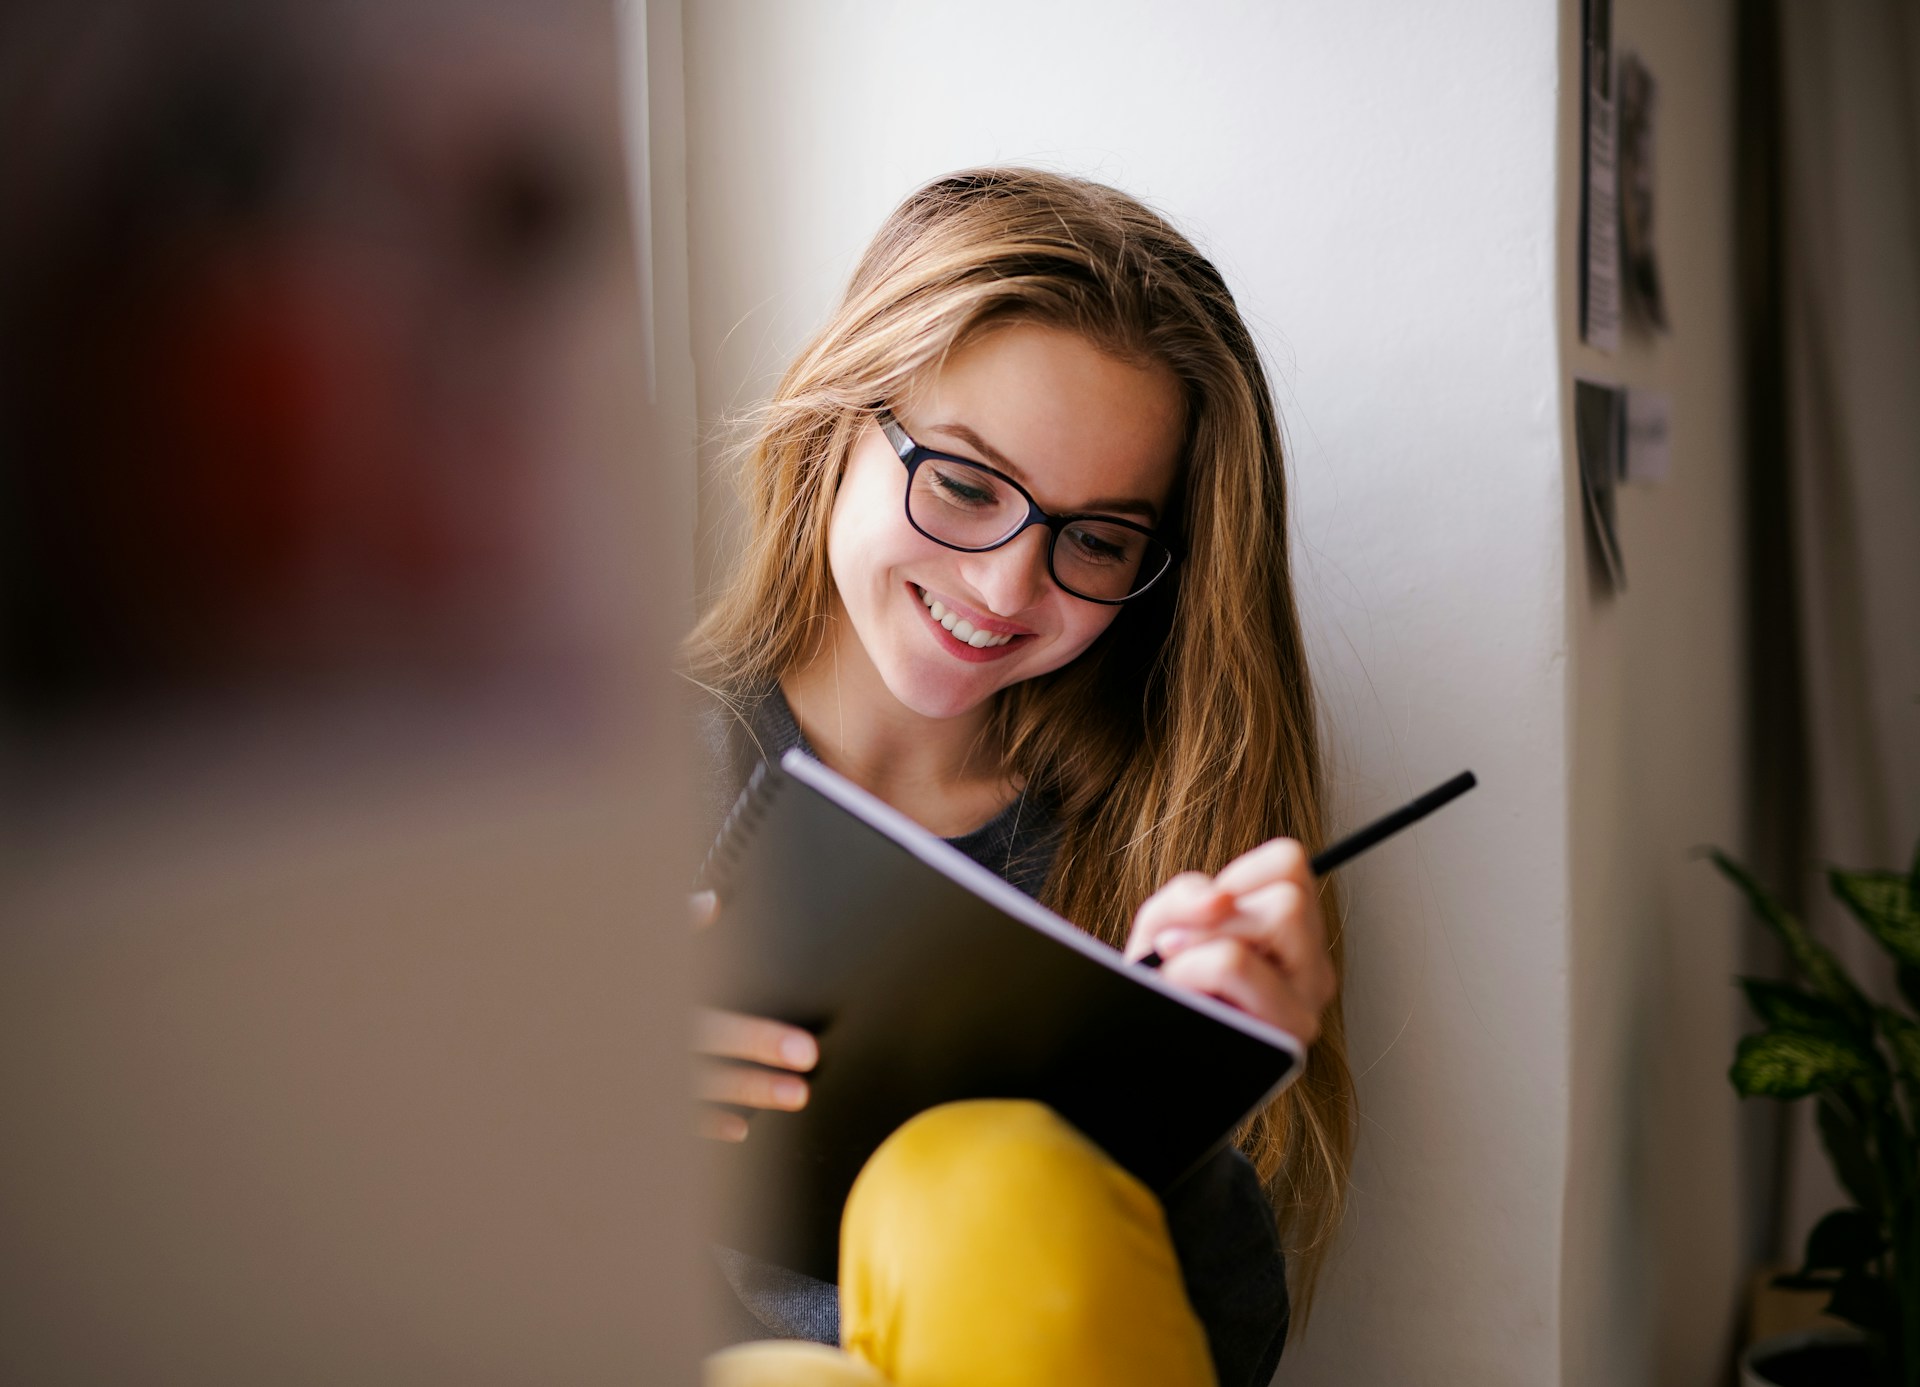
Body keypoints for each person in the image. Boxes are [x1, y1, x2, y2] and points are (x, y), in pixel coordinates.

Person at [685, 168, 1353, 1387]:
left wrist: (1180, 1122)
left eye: (1095, 538)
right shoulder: (601, 792)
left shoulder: (1155, 832)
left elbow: (1228, 1349)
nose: (1003, 588)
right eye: (962, 482)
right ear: (837, 422)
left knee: (988, 1181)